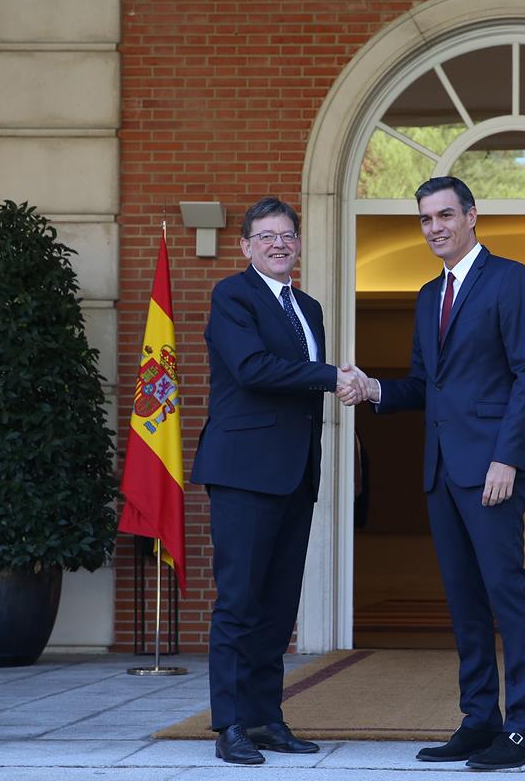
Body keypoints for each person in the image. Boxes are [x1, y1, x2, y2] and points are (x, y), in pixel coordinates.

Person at [350, 176, 525, 770]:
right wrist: (374, 389)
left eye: (444, 215)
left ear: (471, 216)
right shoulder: (425, 295)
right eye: (425, 219)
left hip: (492, 469)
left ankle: (524, 730)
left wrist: (507, 458)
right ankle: (479, 719)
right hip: (440, 470)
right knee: (464, 603)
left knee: (506, 596)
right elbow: (424, 386)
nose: (434, 227)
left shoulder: (509, 279)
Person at [190, 196, 367, 765]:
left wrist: (328, 378)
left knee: (278, 604)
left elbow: (299, 384)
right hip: (244, 472)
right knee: (239, 601)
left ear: (298, 243)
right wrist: (331, 375)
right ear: (245, 246)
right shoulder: (232, 296)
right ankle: (230, 724)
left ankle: (267, 718)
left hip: (294, 474)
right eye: (265, 236)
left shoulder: (309, 307)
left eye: (287, 234)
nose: (278, 244)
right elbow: (253, 368)